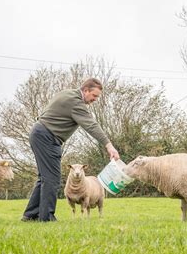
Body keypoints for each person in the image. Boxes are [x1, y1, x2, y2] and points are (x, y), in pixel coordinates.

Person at [21, 78, 120, 222]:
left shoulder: (67, 93)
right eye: (94, 96)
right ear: (85, 90)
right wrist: (108, 145)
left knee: (44, 177)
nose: (95, 99)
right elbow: (91, 125)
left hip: (40, 133)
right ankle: (46, 218)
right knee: (52, 179)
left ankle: (30, 215)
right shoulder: (76, 103)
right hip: (47, 137)